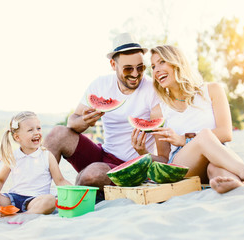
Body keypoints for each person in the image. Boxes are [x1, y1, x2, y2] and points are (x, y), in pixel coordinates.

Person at [131, 45, 244, 194]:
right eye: (153, 66)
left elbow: (226, 133)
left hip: (217, 157)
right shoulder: (158, 111)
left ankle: (238, 186)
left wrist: (184, 138)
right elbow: (164, 158)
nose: (156, 70)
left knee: (215, 169)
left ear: (177, 62)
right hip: (182, 165)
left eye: (162, 62)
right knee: (205, 135)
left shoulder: (212, 90)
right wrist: (143, 153)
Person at [44, 33, 160, 193]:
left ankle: (75, 195)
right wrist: (85, 121)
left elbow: (162, 150)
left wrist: (144, 152)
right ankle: (38, 195)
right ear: (113, 64)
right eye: (128, 68)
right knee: (57, 134)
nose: (135, 74)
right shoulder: (100, 84)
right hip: (104, 155)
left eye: (140, 68)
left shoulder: (152, 89)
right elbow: (72, 122)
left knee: (91, 175)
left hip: (133, 166)